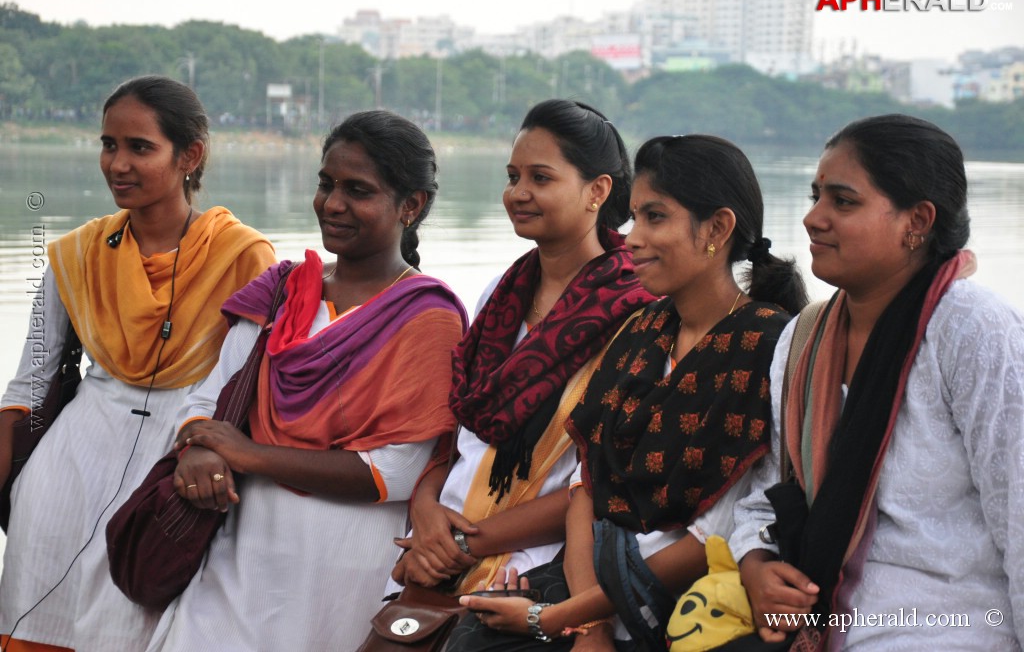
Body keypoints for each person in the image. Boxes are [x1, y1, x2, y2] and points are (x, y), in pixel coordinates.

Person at [454, 135, 808, 649]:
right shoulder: (644, 330)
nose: (633, 237)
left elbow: (713, 534)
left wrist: (556, 620)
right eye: (635, 216)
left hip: (683, 601)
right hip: (591, 582)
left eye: (655, 218)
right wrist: (588, 627)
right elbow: (585, 487)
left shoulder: (767, 347)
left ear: (718, 228)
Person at [143, 110, 467, 651]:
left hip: (350, 569)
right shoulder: (284, 290)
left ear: (411, 206)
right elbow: (208, 399)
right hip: (242, 550)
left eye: (357, 190)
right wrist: (198, 450)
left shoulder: (427, 317)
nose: (332, 204)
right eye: (326, 184)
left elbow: (402, 472)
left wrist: (250, 456)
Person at [0, 75, 275, 651]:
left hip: (174, 467)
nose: (117, 164)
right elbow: (29, 380)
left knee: (135, 627)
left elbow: (244, 390)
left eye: (140, 148)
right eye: (108, 144)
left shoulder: (244, 257)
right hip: (67, 466)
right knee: (37, 621)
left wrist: (207, 450)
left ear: (190, 156)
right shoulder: (74, 255)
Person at [730, 114, 1024, 650]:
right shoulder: (805, 337)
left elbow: (1020, 515)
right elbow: (767, 493)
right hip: (822, 625)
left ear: (917, 221)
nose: (813, 218)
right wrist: (757, 564)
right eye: (815, 195)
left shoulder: (971, 330)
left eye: (843, 202)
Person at [388, 99, 656, 604]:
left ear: (597, 190)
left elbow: (602, 480)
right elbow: (457, 433)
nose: (518, 194)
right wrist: (425, 512)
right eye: (513, 176)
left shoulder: (637, 313)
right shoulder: (500, 295)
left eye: (541, 178)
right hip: (437, 546)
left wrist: (463, 543)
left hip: (536, 569)